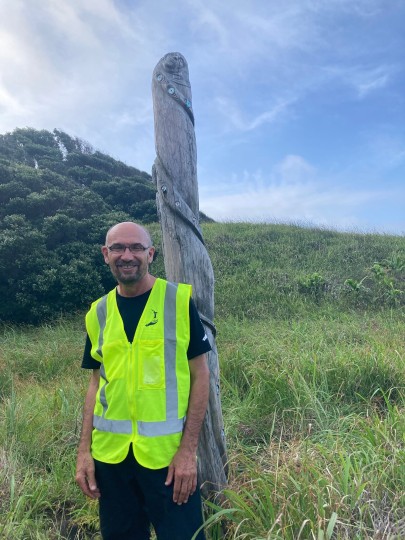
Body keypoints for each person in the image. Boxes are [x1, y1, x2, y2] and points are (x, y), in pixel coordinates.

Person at [75, 221, 211, 540]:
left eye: (136, 247)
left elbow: (200, 375)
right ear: (105, 254)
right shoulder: (98, 313)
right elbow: (96, 384)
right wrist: (84, 452)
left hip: (168, 460)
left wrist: (188, 452)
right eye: (118, 248)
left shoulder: (177, 301)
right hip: (111, 459)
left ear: (150, 254)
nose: (127, 255)